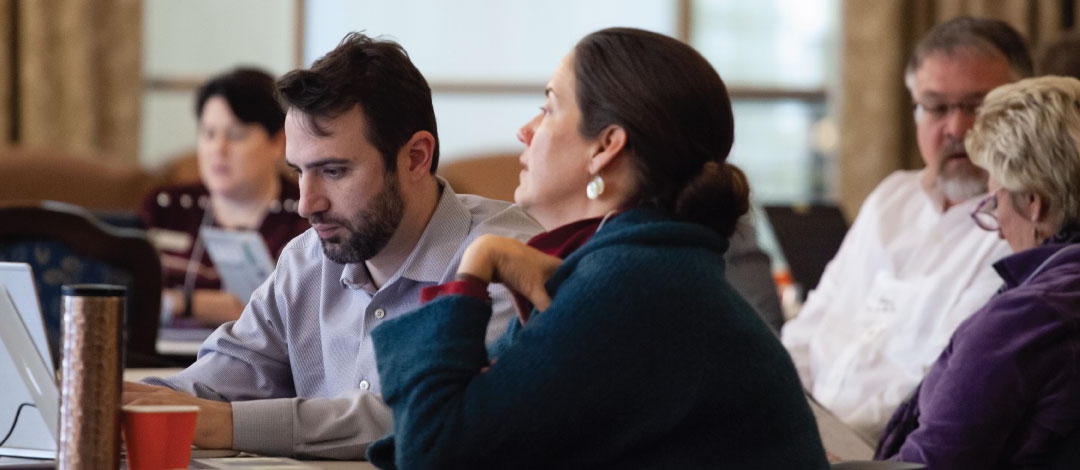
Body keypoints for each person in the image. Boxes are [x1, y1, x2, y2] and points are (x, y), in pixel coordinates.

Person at [366, 27, 827, 469]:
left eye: (548, 108)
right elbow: (420, 438)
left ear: (605, 146)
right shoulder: (635, 265)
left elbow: (433, 448)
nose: (525, 131)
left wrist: (478, 261)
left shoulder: (637, 284)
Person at [123, 34, 542, 458]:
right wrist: (120, 405)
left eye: (333, 171)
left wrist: (225, 424)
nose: (307, 203)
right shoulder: (306, 259)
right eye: (299, 172)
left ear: (416, 157)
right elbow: (222, 375)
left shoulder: (509, 258)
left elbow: (425, 414)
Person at [781, 16, 1031, 440]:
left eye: (977, 106)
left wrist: (829, 442)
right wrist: (776, 415)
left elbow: (936, 383)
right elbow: (809, 329)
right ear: (916, 109)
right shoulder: (891, 198)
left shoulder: (1020, 225)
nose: (956, 127)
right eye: (936, 107)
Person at [874, 75, 1080, 468]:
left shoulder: (1022, 321)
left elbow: (930, 465)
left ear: (1034, 203)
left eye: (994, 199)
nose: (998, 225)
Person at [140, 68, 311, 326]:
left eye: (236, 135)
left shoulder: (304, 213)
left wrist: (181, 303)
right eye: (208, 134)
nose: (218, 149)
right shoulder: (166, 206)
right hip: (162, 361)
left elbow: (285, 314)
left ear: (278, 143)